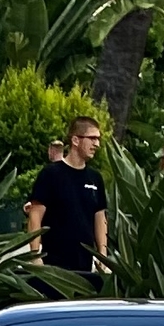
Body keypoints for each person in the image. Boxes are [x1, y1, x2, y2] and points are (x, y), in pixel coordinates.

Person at [27, 112, 108, 280]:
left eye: (98, 139)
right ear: (76, 140)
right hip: (53, 266)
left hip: (84, 269)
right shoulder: (50, 174)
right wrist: (35, 257)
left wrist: (102, 257)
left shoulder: (95, 178)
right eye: (92, 138)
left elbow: (100, 218)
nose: (97, 144)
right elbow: (35, 216)